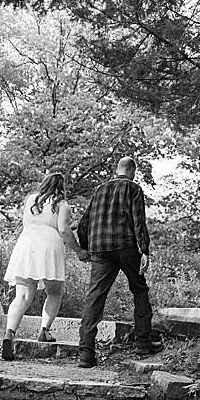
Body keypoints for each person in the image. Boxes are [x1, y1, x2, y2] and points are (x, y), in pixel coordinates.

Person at [76, 157, 163, 368]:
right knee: (139, 289)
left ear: (117, 169)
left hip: (100, 250)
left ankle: (86, 354)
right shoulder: (133, 188)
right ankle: (143, 342)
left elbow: (84, 222)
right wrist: (145, 250)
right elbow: (138, 220)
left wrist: (87, 248)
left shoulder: (99, 190)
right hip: (125, 246)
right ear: (132, 171)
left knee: (95, 296)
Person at [1, 173, 89, 361]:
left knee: (22, 296)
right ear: (61, 187)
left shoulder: (31, 200)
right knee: (54, 293)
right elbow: (64, 230)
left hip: (26, 244)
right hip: (50, 245)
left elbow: (25, 223)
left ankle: (9, 334)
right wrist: (80, 251)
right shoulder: (62, 204)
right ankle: (44, 331)